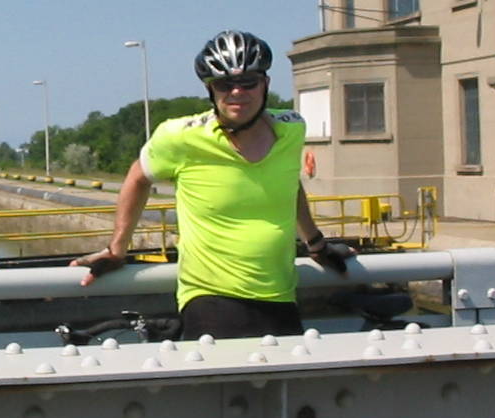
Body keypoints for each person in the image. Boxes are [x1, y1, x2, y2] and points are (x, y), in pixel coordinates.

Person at [72, 29, 351, 339]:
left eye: (248, 82)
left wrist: (315, 243)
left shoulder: (292, 129)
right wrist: (117, 248)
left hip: (281, 295)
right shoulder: (181, 137)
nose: (237, 92)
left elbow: (289, 185)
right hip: (211, 299)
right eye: (224, 84)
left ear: (265, 83)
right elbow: (138, 177)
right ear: (210, 89)